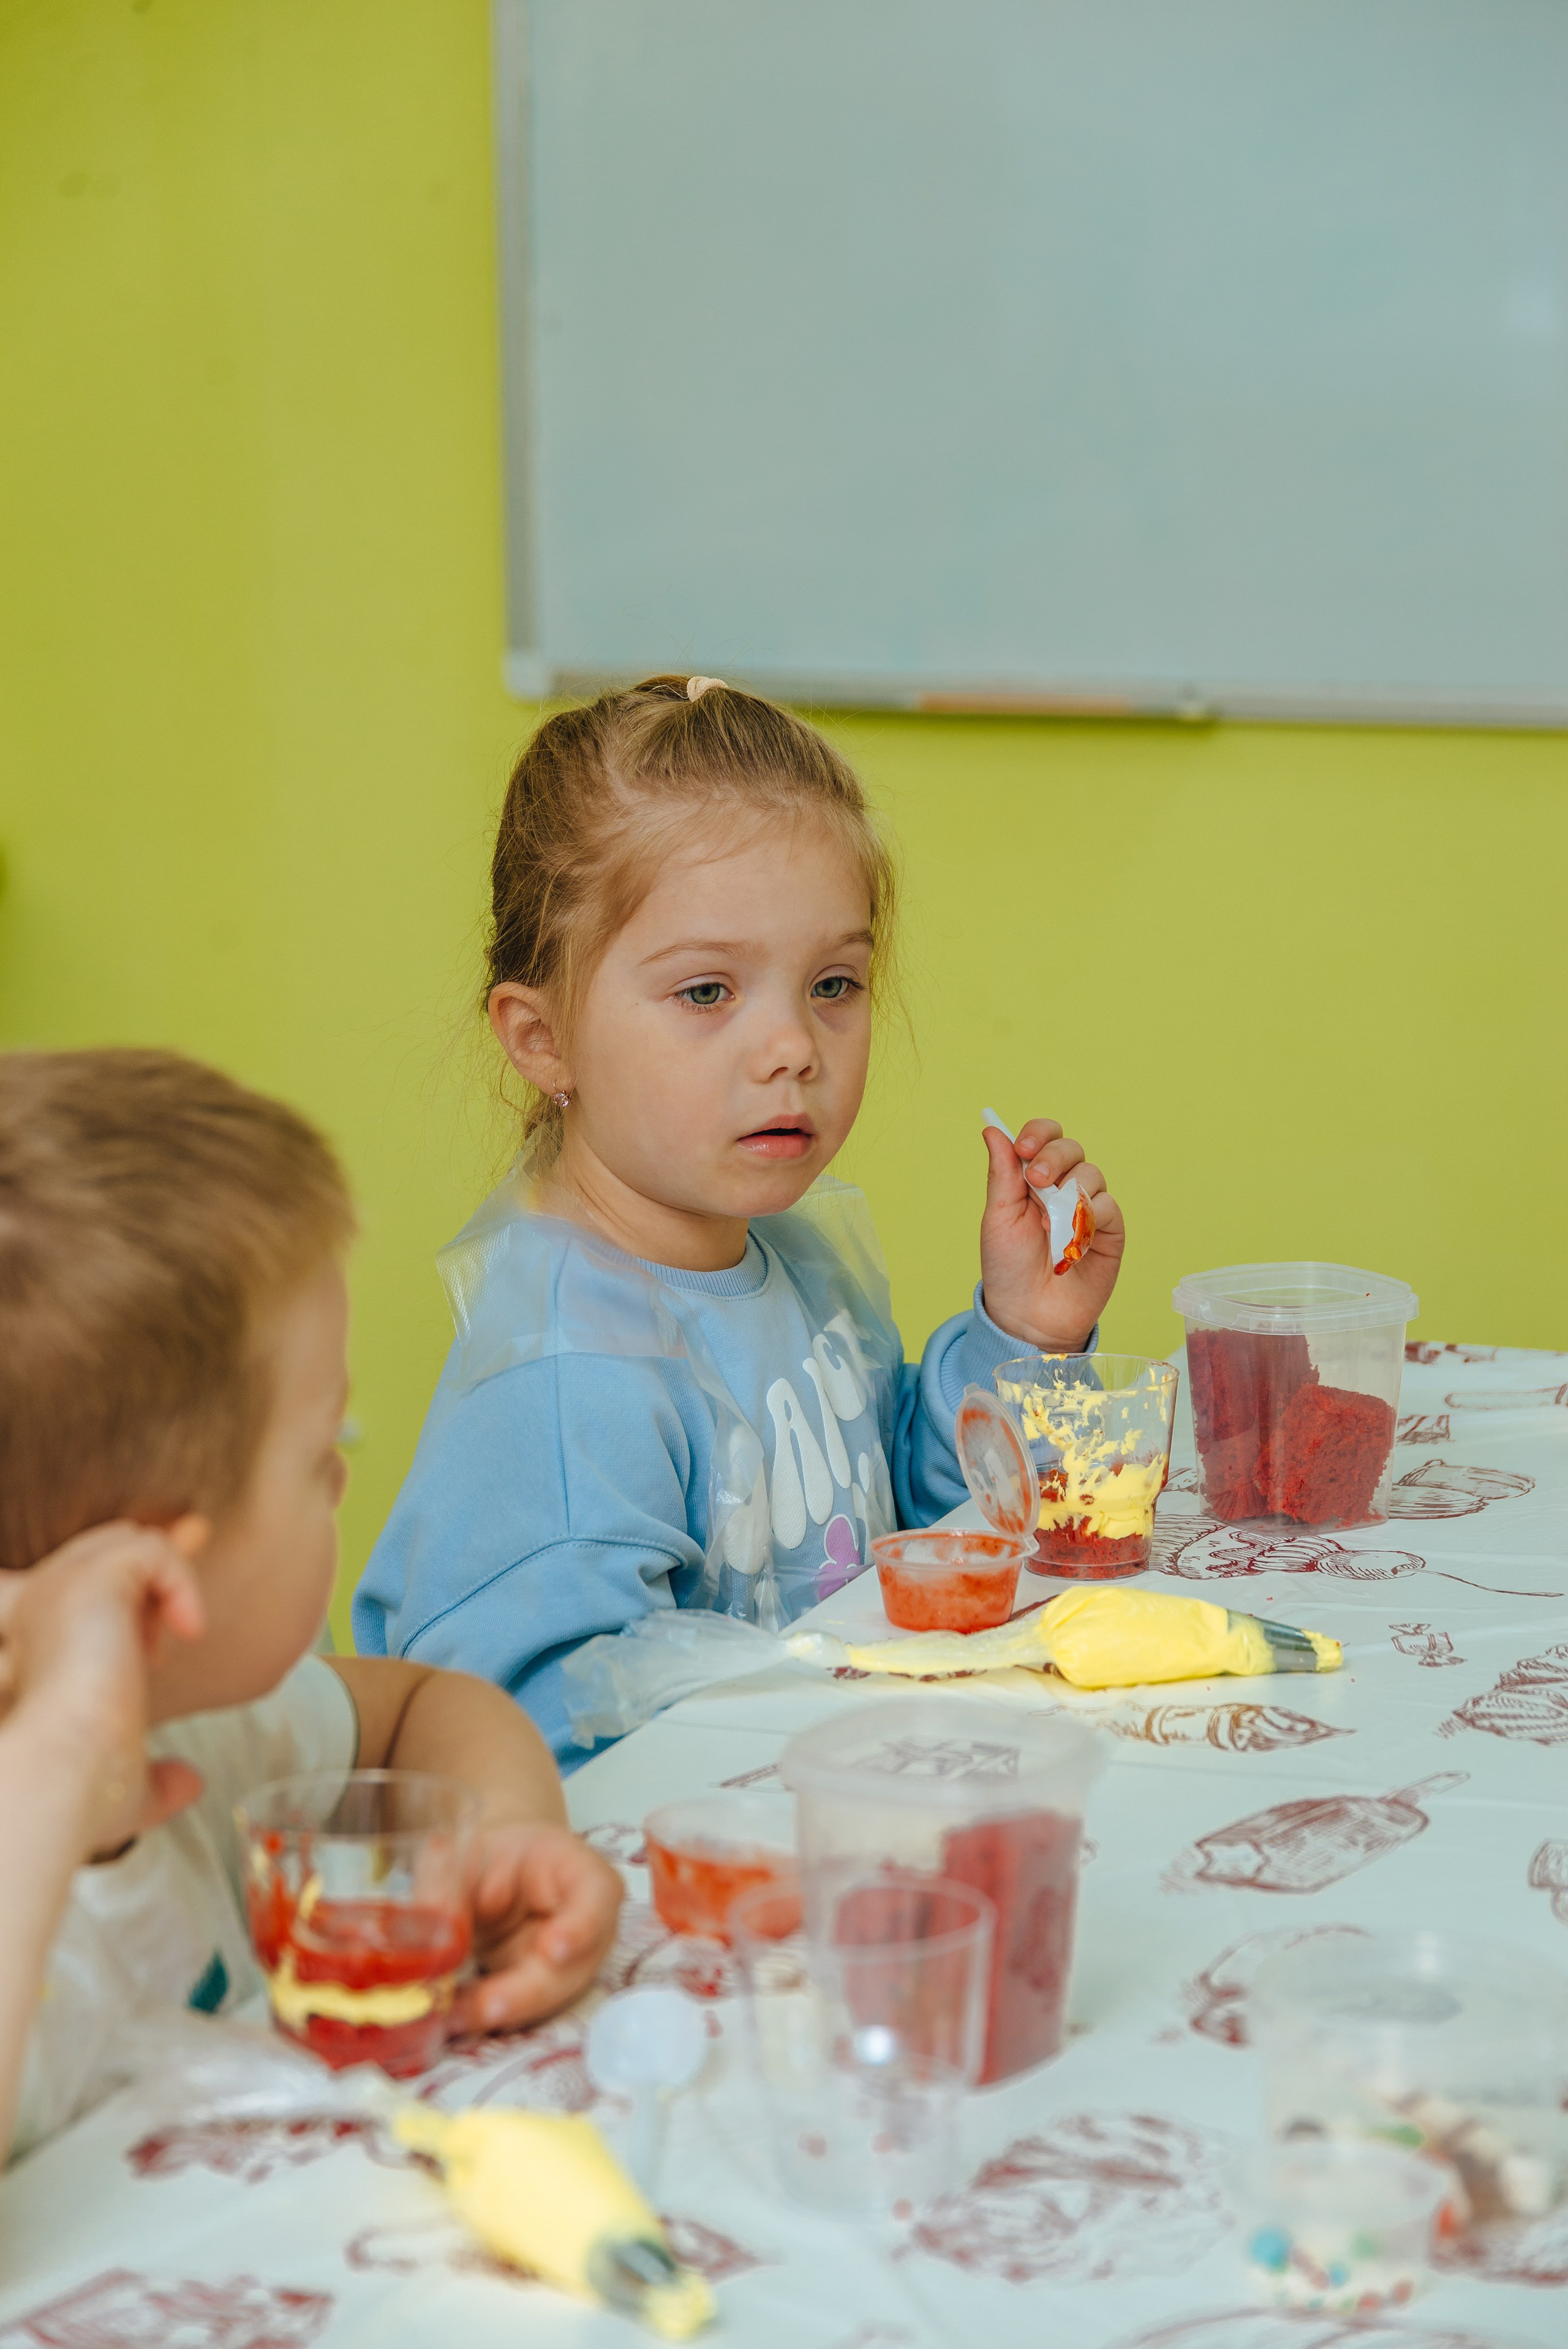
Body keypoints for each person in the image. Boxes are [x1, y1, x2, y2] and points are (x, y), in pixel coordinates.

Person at [355, 676, 1126, 1764]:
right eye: (708, 992)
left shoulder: (793, 1260)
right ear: (542, 1039)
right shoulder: (570, 1377)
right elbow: (537, 1763)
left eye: (834, 984)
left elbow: (911, 1545)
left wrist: (1022, 1335)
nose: (794, 1048)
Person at [0, 1048, 622, 2160]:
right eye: (320, 1452)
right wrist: (56, 1757)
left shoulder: (198, 1725)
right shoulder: (57, 1784)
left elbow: (424, 1706)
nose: (340, 1481)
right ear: (166, 1568)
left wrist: (497, 1838)